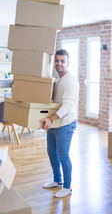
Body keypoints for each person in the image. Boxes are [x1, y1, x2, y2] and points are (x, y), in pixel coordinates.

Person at [40, 49, 79, 198]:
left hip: (65, 123)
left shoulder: (69, 80)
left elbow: (68, 105)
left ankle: (67, 187)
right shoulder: (57, 79)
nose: (59, 63)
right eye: (57, 60)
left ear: (68, 62)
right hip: (55, 122)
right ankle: (57, 180)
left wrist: (52, 118)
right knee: (51, 152)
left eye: (62, 61)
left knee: (63, 155)